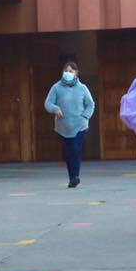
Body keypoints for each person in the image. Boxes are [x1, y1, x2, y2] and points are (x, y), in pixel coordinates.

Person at [44, 60, 95, 188]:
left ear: (76, 73)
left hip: (80, 125)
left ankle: (76, 176)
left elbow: (90, 104)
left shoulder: (82, 88)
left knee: (75, 149)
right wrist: (55, 109)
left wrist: (85, 116)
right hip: (63, 127)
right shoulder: (56, 87)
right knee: (67, 152)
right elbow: (48, 103)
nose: (68, 73)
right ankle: (72, 177)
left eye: (71, 71)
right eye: (66, 71)